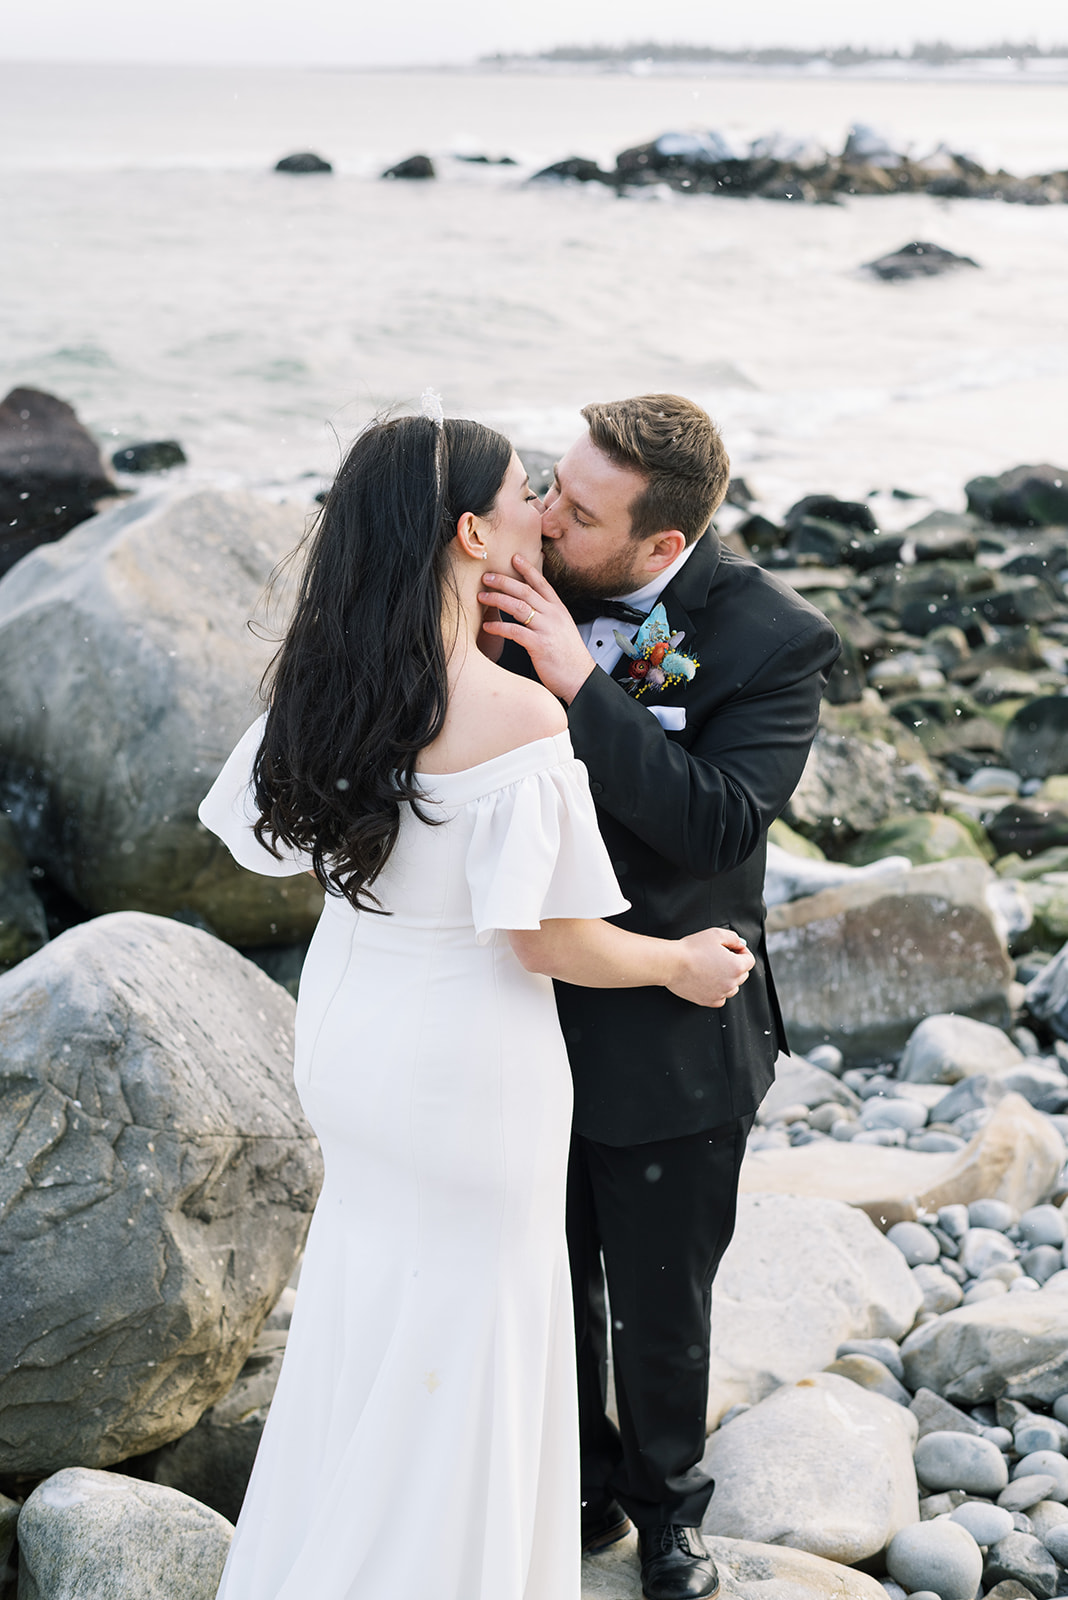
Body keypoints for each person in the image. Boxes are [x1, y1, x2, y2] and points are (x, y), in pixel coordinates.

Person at [198, 412, 755, 1600]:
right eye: (523, 493)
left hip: (352, 1031)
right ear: (468, 532)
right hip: (466, 1062)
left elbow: (266, 836)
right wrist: (674, 964)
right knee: (476, 1327)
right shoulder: (513, 712)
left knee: (369, 1298)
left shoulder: (329, 679)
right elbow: (540, 934)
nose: (540, 512)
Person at [478, 394, 841, 1600]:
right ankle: (573, 1484)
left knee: (660, 1293)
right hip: (512, 1002)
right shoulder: (517, 577)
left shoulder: (771, 641)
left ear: (662, 548)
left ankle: (668, 1514)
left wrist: (586, 683)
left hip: (675, 1015)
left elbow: (717, 823)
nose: (544, 514)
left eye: (577, 512)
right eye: (547, 483)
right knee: (541, 1270)